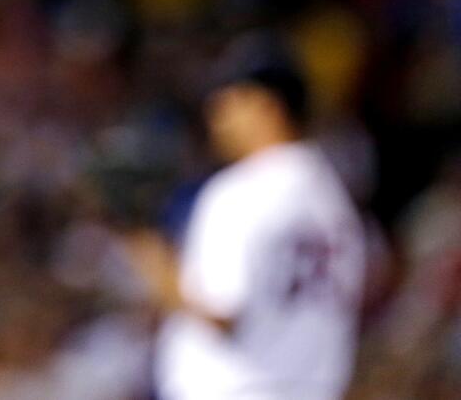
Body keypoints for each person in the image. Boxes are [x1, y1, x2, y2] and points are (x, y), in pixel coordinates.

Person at [128, 35, 365, 399]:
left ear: (268, 106)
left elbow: (219, 311)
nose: (216, 119)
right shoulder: (335, 203)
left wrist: (139, 240)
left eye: (229, 103)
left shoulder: (242, 191)